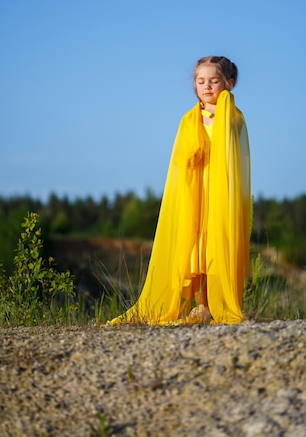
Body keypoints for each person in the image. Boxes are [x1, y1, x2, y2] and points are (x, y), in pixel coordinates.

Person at [108, 55, 251, 325]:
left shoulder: (233, 116)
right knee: (194, 247)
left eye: (214, 81)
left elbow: (234, 152)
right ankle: (200, 305)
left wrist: (222, 111)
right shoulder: (189, 120)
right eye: (201, 81)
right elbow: (180, 159)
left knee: (215, 246)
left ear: (229, 84)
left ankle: (220, 302)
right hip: (194, 193)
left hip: (219, 194)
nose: (207, 87)